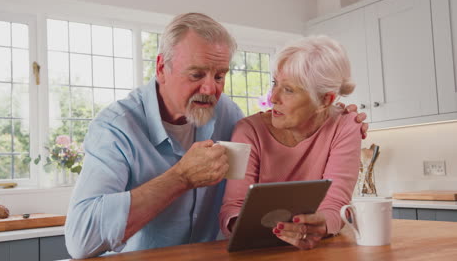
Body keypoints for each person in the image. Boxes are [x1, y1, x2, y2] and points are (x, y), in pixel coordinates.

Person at [65, 13, 367, 259]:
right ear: (161, 67)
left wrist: (336, 115)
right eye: (196, 75)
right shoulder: (116, 128)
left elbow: (287, 121)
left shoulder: (227, 115)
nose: (211, 90)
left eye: (220, 75)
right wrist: (180, 177)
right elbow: (80, 241)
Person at [219, 35, 363, 250]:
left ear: (325, 100)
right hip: (254, 252)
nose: (273, 97)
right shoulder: (249, 131)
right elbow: (232, 208)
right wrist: (252, 230)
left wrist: (319, 226)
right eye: (275, 83)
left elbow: (335, 205)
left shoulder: (345, 126)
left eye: (289, 89)